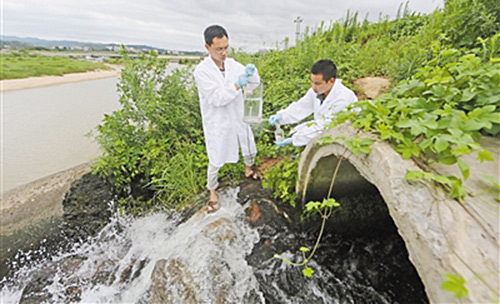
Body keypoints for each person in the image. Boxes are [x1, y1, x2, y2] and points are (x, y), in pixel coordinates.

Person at [194, 25, 261, 213]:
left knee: (248, 143)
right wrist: (236, 85)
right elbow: (217, 98)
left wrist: (252, 73)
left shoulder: (234, 65)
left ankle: (248, 169)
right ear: (207, 48)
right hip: (218, 119)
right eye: (219, 49)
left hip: (238, 114)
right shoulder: (202, 71)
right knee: (216, 156)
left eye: (226, 47)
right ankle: (212, 191)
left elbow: (255, 83)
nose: (224, 53)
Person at [269, 59, 358, 147]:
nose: (313, 86)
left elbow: (325, 126)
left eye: (318, 83)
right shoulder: (316, 91)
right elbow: (302, 106)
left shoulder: (343, 98)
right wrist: (282, 116)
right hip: (323, 137)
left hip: (343, 140)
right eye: (312, 82)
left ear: (331, 81)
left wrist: (295, 139)